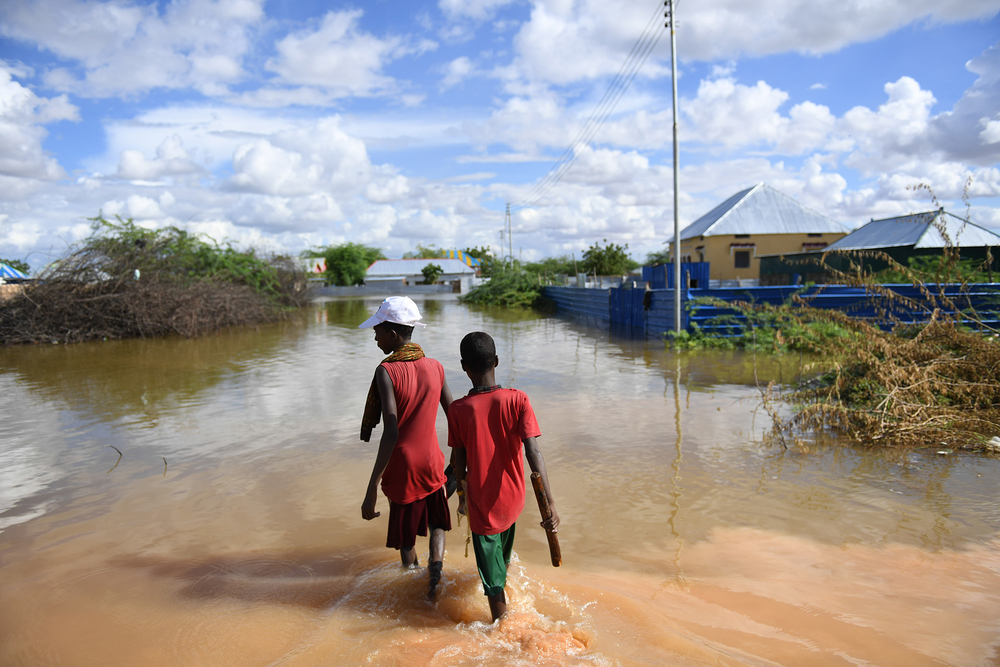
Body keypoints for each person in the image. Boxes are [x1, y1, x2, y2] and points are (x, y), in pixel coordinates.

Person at [447, 331, 560, 622]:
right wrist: (550, 504)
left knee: (493, 584)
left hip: (483, 505)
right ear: (496, 360)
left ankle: (503, 630)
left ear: (463, 366)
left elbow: (459, 462)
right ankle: (507, 611)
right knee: (502, 562)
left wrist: (461, 497)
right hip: (513, 500)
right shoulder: (518, 399)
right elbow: (534, 453)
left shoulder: (458, 410)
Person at [358, 296, 453, 598]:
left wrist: (372, 485)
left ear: (393, 335)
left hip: (403, 467)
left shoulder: (386, 371)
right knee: (438, 521)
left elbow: (391, 430)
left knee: (406, 539)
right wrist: (461, 459)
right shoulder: (436, 367)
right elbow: (455, 415)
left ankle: (414, 587)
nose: (374, 337)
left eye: (378, 331)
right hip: (432, 461)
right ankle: (436, 570)